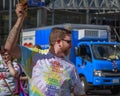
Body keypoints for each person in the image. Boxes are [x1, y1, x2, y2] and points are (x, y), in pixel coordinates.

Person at [5, 2, 87, 96]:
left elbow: (80, 93)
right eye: (68, 42)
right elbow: (9, 48)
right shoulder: (36, 57)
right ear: (58, 42)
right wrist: (20, 19)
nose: (71, 45)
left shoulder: (71, 67)